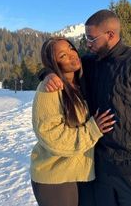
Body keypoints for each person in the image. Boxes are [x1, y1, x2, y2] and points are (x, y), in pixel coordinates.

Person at [40, 10, 131, 206]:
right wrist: (48, 73)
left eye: (91, 38)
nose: (87, 44)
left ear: (110, 35)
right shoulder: (90, 63)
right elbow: (61, 64)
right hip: (101, 168)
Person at [30, 37, 116, 206]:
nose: (72, 55)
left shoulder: (79, 82)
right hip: (56, 178)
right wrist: (93, 130)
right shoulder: (50, 90)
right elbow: (53, 137)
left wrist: (46, 72)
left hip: (79, 173)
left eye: (71, 48)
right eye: (62, 55)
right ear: (53, 63)